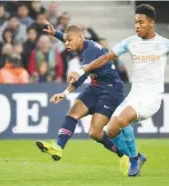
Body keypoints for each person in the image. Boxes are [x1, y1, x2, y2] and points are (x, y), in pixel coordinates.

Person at [68, 4, 169, 176]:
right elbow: (105, 58)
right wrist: (82, 70)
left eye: (141, 22)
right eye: (135, 22)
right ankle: (136, 157)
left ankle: (134, 160)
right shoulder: (130, 42)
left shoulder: (164, 44)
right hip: (134, 95)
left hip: (151, 98)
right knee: (110, 130)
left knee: (122, 120)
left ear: (151, 23)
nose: (137, 26)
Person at [35, 20, 145, 176]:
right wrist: (56, 34)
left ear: (80, 37)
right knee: (73, 112)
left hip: (111, 90)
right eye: (65, 40)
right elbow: (80, 68)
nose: (66, 43)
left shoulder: (90, 50)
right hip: (96, 86)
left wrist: (68, 88)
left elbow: (82, 73)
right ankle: (58, 147)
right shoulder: (81, 46)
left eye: (69, 40)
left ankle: (128, 157)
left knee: (95, 132)